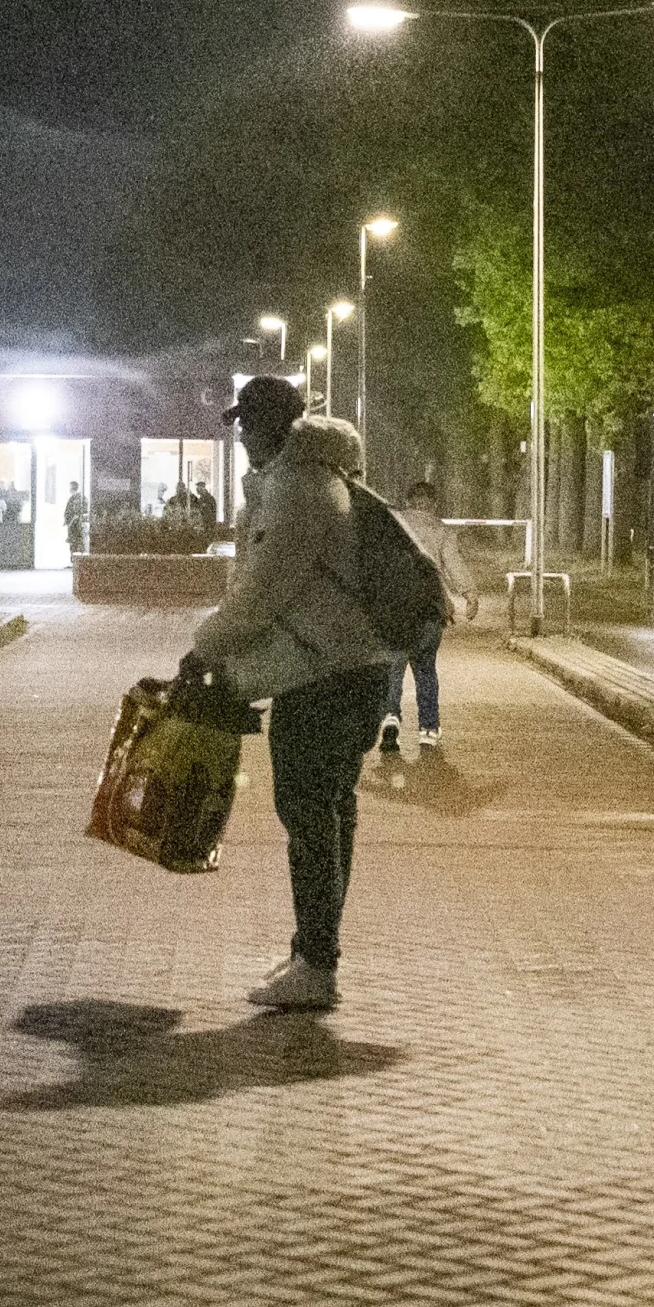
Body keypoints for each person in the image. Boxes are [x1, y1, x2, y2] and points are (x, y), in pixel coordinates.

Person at [183, 377, 396, 1011]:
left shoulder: (297, 491)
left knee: (308, 813)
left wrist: (205, 650)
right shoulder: (319, 480)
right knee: (329, 810)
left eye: (250, 424)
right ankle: (315, 950)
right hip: (353, 669)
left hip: (326, 677)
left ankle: (317, 964)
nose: (242, 435)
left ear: (279, 427)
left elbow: (260, 595)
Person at [378, 475, 472, 755]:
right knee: (426, 670)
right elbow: (453, 565)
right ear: (433, 505)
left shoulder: (392, 525)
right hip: (430, 609)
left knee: (394, 669)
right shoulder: (442, 532)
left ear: (408, 502)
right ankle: (428, 730)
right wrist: (470, 594)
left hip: (396, 610)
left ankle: (390, 717)